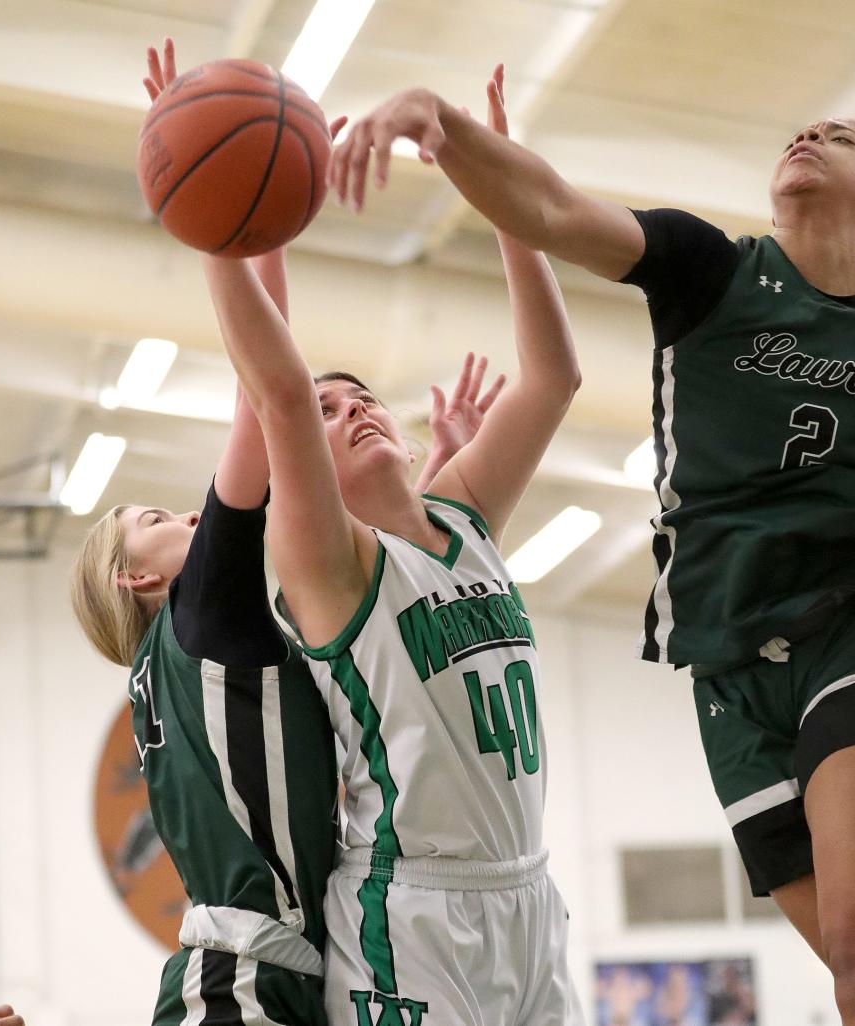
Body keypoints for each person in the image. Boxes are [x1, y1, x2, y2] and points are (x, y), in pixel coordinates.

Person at [328, 75, 855, 1025]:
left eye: (845, 135)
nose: (811, 129)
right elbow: (549, 206)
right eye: (805, 121)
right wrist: (434, 119)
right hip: (727, 673)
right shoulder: (711, 270)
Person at [70, 40, 503, 1026]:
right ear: (141, 584)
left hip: (257, 973)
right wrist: (228, 215)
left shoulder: (188, 666)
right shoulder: (204, 606)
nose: (188, 515)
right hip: (248, 987)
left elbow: (383, 592)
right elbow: (263, 398)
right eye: (156, 523)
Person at [199, 65, 584, 1026]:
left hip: (530, 894)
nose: (352, 407)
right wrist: (214, 233)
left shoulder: (460, 519)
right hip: (412, 913)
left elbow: (554, 376)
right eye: (327, 411)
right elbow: (275, 391)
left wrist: (505, 194)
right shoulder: (333, 565)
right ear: (306, 468)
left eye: (363, 395)